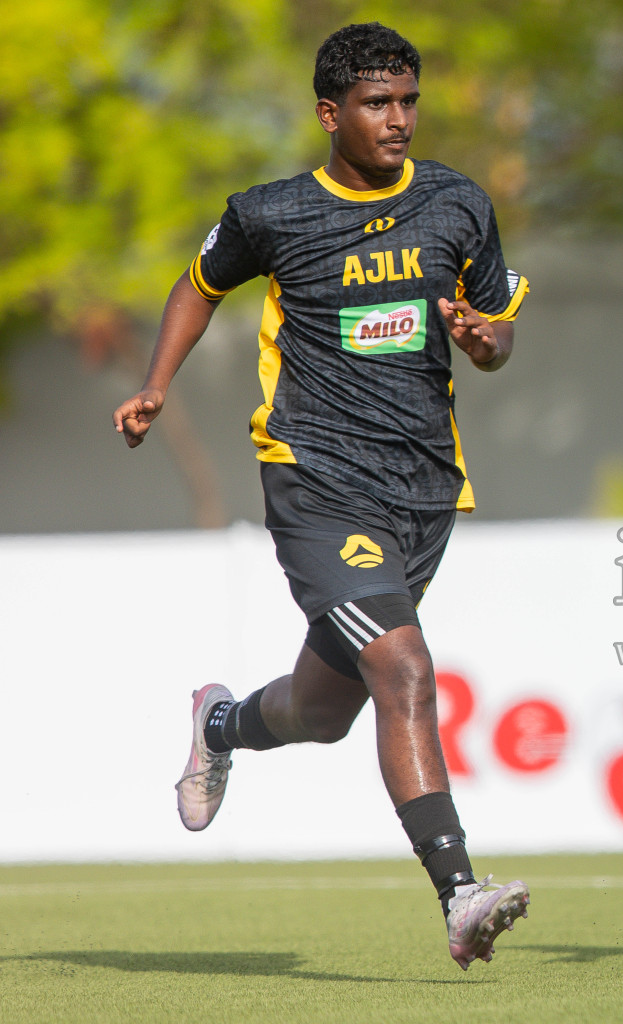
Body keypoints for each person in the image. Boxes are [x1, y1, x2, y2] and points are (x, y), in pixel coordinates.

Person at [112, 22, 531, 971]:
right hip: (315, 478)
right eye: (378, 104)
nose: (398, 119)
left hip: (423, 489)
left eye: (409, 101)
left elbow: (501, 331)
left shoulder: (459, 203)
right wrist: (157, 384)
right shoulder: (272, 213)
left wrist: (482, 340)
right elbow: (196, 283)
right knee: (407, 670)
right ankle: (461, 894)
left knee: (325, 708)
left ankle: (219, 723)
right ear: (328, 113)